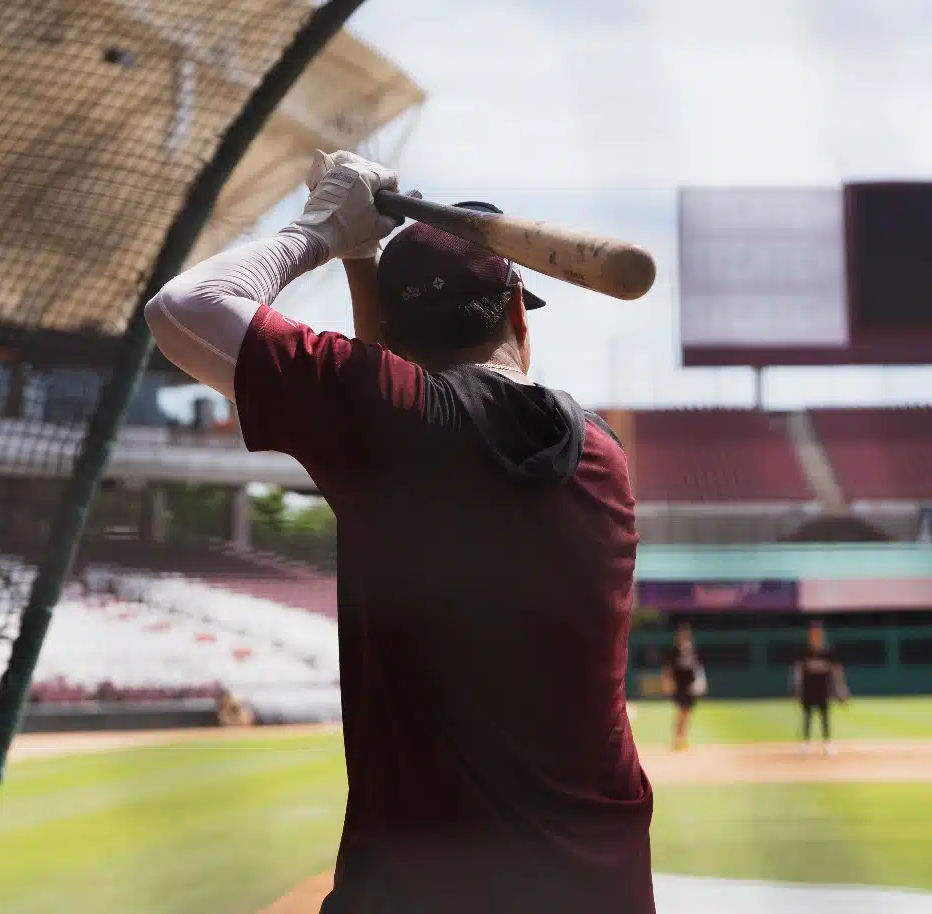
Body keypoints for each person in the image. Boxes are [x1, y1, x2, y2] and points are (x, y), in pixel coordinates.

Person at [145, 151, 654, 914]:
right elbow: (417, 418)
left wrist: (324, 231)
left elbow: (184, 307)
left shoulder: (399, 435)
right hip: (599, 885)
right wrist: (364, 260)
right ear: (517, 314)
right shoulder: (603, 457)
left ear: (397, 334)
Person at [791, 621, 848, 756]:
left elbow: (837, 671)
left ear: (822, 635)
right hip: (807, 690)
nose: (815, 636)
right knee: (807, 717)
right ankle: (805, 745)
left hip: (823, 690)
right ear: (809, 635)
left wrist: (841, 688)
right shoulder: (804, 652)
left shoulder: (828, 652)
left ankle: (828, 744)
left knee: (825, 717)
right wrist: (796, 689)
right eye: (813, 633)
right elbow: (797, 672)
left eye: (818, 633)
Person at [662, 625, 706, 751]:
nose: (684, 637)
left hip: (691, 686)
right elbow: (668, 669)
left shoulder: (693, 651)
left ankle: (682, 738)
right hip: (679, 685)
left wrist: (701, 682)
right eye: (681, 635)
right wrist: (667, 682)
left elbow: (698, 668)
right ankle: (677, 739)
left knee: (687, 713)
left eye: (686, 635)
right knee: (681, 711)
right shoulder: (674, 651)